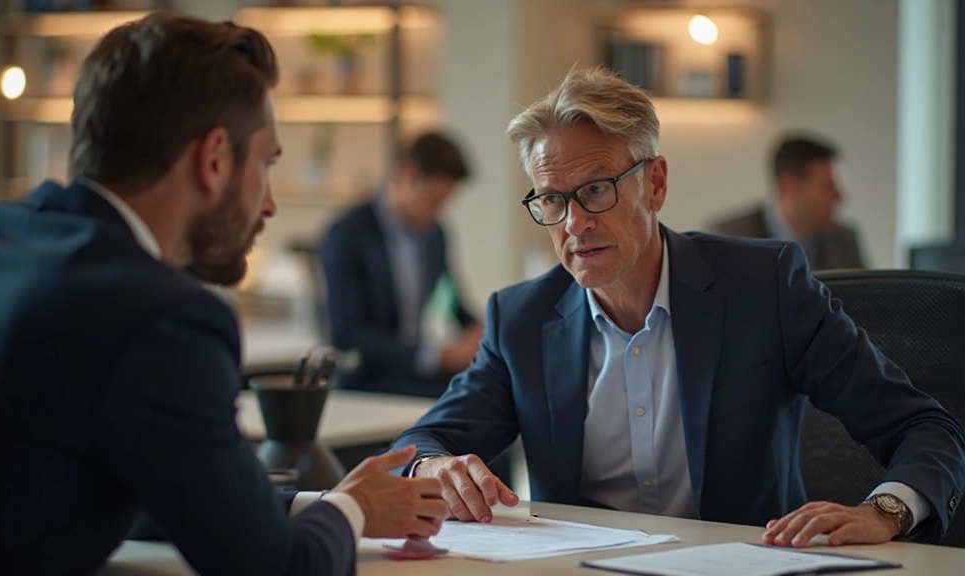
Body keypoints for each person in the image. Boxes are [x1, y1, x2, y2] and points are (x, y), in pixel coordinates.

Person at [0, 12, 448, 576]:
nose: (269, 204)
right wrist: (355, 509)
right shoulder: (162, 319)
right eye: (265, 164)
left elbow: (153, 482)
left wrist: (325, 503)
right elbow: (278, 567)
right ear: (213, 160)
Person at [391, 67, 965, 547]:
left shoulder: (764, 288)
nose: (575, 223)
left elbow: (924, 426)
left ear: (656, 184)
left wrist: (885, 511)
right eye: (552, 200)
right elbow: (417, 447)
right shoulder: (521, 319)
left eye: (596, 190)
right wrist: (432, 467)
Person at [319, 132, 481, 398]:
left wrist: (481, 335)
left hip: (415, 374)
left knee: (489, 396)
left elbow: (452, 299)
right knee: (462, 404)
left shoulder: (435, 236)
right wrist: (436, 356)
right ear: (406, 176)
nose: (438, 213)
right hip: (367, 382)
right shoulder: (347, 234)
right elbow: (346, 333)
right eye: (433, 201)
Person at [706, 135, 866, 270]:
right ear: (789, 187)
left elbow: (863, 297)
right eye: (827, 187)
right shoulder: (727, 239)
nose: (839, 197)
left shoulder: (844, 241)